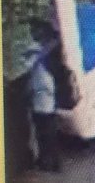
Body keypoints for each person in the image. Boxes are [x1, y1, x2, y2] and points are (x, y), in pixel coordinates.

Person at [26, 20, 61, 173]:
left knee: (45, 136)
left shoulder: (38, 60)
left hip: (42, 105)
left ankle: (48, 163)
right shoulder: (44, 59)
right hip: (46, 104)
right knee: (48, 136)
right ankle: (51, 163)